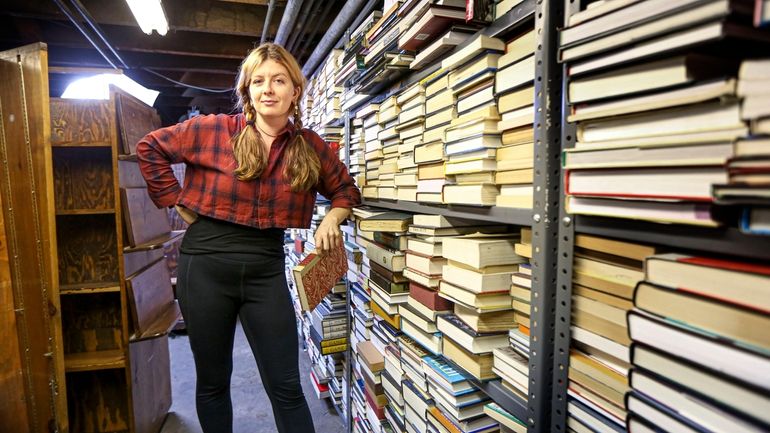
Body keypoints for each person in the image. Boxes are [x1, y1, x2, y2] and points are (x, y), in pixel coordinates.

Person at [136, 43, 361, 433]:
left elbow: (346, 191)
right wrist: (175, 202)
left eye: (278, 80)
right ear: (248, 91)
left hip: (265, 272)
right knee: (212, 382)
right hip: (204, 268)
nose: (268, 89)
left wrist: (333, 219)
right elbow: (150, 147)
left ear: (295, 90)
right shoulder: (213, 130)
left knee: (287, 385)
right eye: (258, 81)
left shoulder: (310, 147)